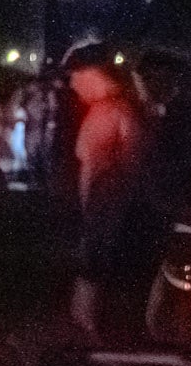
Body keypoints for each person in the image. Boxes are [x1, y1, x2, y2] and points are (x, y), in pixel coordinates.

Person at [63, 50, 153, 342]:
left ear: (90, 75)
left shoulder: (104, 112)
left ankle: (98, 357)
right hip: (129, 215)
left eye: (75, 79)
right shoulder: (131, 106)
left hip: (106, 215)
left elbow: (92, 170)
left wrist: (85, 221)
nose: (73, 87)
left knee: (89, 304)